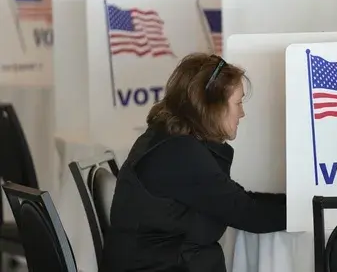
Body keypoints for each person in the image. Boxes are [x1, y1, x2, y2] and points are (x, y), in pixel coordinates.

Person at [100, 53, 287, 272]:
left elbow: (238, 200)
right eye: (238, 103)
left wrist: (298, 206)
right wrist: (309, 213)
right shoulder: (178, 154)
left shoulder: (168, 141)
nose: (242, 113)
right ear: (212, 108)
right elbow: (248, 214)